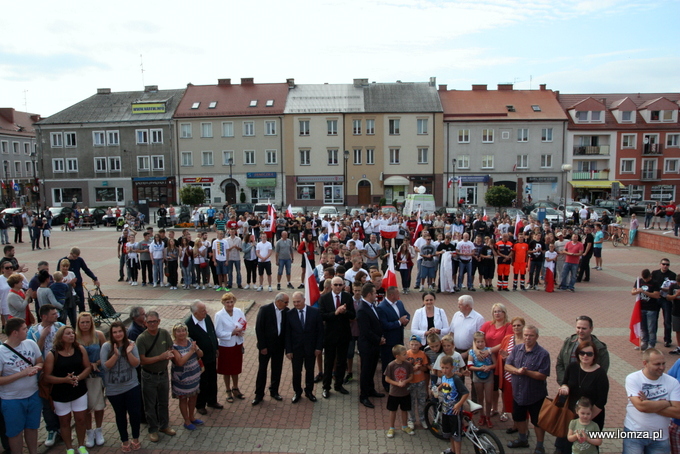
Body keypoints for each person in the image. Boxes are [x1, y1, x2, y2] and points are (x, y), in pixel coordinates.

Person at [42, 325, 92, 454]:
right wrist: (64, 380)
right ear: (60, 337)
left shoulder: (80, 349)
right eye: (68, 333)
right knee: (64, 422)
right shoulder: (52, 354)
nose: (72, 335)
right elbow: (47, 377)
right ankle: (69, 447)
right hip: (60, 393)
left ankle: (81, 445)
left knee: (81, 420)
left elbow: (87, 367)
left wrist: (78, 378)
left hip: (79, 390)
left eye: (72, 333)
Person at [556, 340, 610, 454]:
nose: (585, 356)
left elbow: (602, 400)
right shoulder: (572, 367)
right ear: (577, 354)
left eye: (589, 354)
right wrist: (565, 387)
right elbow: (565, 382)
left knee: (588, 447)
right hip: (572, 415)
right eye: (582, 353)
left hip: (592, 417)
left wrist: (586, 418)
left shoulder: (600, 373)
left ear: (594, 355)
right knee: (568, 446)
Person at [624, 348, 680, 453]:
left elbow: (677, 412)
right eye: (657, 364)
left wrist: (649, 402)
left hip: (661, 437)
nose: (662, 367)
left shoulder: (672, 382)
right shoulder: (633, 378)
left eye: (663, 363)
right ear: (645, 363)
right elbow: (641, 407)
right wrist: (666, 403)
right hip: (635, 433)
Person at [505, 325, 550, 453]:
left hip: (535, 395)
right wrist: (517, 370)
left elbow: (543, 375)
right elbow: (507, 366)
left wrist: (526, 373)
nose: (528, 338)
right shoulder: (517, 349)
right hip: (518, 393)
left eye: (531, 335)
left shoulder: (543, 354)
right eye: (526, 335)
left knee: (538, 422)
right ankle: (522, 439)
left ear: (536, 337)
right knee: (518, 418)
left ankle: (540, 446)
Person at [0, 317, 43, 454]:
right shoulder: (1, 352)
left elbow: (40, 361)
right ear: (15, 333)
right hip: (12, 399)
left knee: (32, 428)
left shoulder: (30, 343)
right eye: (24, 329)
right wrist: (22, 374)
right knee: (15, 432)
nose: (27, 330)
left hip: (33, 394)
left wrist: (36, 368)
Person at [100, 321, 142, 452]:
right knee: (120, 415)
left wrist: (128, 353)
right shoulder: (107, 347)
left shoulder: (130, 344)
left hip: (131, 386)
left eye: (120, 331)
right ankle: (124, 440)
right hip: (114, 389)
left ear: (124, 332)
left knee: (134, 413)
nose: (118, 334)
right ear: (111, 334)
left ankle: (135, 438)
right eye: (115, 332)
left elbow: (136, 364)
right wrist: (116, 355)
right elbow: (105, 366)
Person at [136, 311, 176, 443]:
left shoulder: (164, 333)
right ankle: (153, 429)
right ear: (145, 323)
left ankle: (164, 426)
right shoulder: (142, 338)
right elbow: (142, 360)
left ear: (159, 321)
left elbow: (170, 347)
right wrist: (160, 357)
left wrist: (170, 354)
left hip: (163, 373)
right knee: (150, 404)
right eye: (149, 322)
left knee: (163, 402)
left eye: (154, 321)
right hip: (149, 376)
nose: (152, 324)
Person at [27, 304, 63, 447]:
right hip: (43, 374)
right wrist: (42, 337)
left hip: (59, 369)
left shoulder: (60, 326)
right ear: (44, 316)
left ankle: (62, 426)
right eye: (53, 314)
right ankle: (52, 429)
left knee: (61, 400)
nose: (57, 316)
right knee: (46, 402)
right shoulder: (33, 331)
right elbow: (33, 353)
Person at [318, 276, 355, 398]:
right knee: (328, 362)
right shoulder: (324, 298)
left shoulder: (348, 297)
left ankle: (338, 385)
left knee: (341, 361)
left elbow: (353, 315)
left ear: (343, 285)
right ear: (331, 286)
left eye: (340, 285)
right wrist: (336, 313)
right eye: (336, 285)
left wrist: (345, 312)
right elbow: (322, 316)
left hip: (344, 335)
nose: (338, 287)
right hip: (329, 336)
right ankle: (326, 387)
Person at [285, 291, 324, 403]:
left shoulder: (315, 312)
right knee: (296, 372)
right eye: (294, 302)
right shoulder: (289, 314)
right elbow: (287, 334)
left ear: (304, 300)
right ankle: (297, 392)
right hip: (296, 349)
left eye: (298, 301)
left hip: (310, 349)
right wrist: (288, 350)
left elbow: (320, 332)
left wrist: (318, 347)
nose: (296, 304)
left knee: (310, 370)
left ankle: (309, 391)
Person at [185, 301, 222, 415]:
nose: (205, 312)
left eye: (205, 309)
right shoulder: (189, 324)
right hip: (199, 359)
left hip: (211, 355)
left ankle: (212, 401)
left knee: (212, 379)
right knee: (202, 381)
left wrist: (216, 347)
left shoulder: (207, 318)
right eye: (202, 311)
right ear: (195, 313)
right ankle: (200, 405)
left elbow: (212, 333)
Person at [75, 312, 107, 448]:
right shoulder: (75, 338)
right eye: (82, 322)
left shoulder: (98, 335)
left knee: (99, 404)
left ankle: (99, 430)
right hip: (82, 375)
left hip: (98, 374)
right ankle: (89, 431)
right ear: (78, 324)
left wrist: (97, 363)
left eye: (87, 322)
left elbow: (106, 353)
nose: (85, 325)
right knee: (85, 406)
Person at [253, 293, 290, 406]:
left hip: (279, 346)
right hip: (266, 347)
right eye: (286, 302)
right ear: (278, 301)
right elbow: (259, 328)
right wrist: (262, 346)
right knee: (262, 370)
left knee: (277, 369)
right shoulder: (265, 309)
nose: (287, 304)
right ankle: (259, 395)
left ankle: (274, 391)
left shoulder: (286, 311)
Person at [556, 315, 610, 385]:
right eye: (578, 328)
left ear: (591, 329)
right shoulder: (568, 342)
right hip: (568, 387)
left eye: (584, 328)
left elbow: (602, 371)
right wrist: (564, 383)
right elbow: (560, 363)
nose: (580, 331)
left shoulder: (600, 348)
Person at [432, 355, 469, 454]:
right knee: (450, 434)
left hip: (454, 412)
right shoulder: (444, 377)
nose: (444, 370)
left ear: (452, 367)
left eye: (447, 368)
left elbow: (466, 393)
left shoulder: (456, 379)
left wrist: (458, 405)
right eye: (442, 367)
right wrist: (437, 389)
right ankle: (452, 450)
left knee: (456, 435)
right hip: (445, 410)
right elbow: (443, 383)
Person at [170, 323, 203, 431]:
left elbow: (201, 354)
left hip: (194, 375)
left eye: (183, 330)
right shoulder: (173, 346)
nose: (181, 333)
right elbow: (180, 362)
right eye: (178, 331)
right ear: (174, 333)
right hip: (182, 378)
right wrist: (191, 351)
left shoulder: (190, 340)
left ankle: (192, 417)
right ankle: (186, 421)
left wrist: (197, 349)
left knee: (193, 397)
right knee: (183, 399)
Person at [356, 282, 385, 409]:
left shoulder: (371, 305)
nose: (376, 295)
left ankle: (371, 389)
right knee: (366, 371)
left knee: (372, 368)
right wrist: (378, 340)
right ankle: (363, 395)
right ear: (369, 294)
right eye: (374, 293)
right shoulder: (362, 309)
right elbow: (366, 331)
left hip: (374, 345)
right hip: (367, 345)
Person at [214, 292, 246, 403]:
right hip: (226, 345)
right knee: (227, 369)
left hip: (237, 344)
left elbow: (244, 323)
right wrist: (231, 333)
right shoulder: (219, 315)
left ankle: (235, 388)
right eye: (227, 302)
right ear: (223, 303)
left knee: (236, 368)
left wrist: (241, 331)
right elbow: (218, 332)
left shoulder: (239, 311)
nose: (230, 304)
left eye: (232, 302)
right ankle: (228, 390)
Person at [377, 286, 410, 391]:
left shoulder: (399, 303)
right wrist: (399, 322)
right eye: (397, 293)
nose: (399, 295)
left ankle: (398, 381)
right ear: (391, 295)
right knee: (388, 364)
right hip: (389, 342)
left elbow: (406, 314)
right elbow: (385, 325)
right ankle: (386, 385)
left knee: (399, 363)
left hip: (399, 339)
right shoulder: (381, 307)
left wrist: (406, 320)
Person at [384, 344, 414, 439]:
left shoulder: (408, 364)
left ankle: (404, 426)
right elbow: (387, 379)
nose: (407, 356)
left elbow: (411, 376)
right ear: (397, 356)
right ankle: (391, 427)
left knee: (404, 409)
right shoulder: (391, 365)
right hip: (394, 393)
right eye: (404, 354)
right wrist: (397, 384)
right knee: (393, 410)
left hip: (405, 392)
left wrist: (405, 381)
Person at [58, 247, 100, 313]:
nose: (76, 258)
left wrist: (94, 278)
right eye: (74, 256)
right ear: (70, 254)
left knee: (81, 304)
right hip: (67, 288)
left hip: (78, 285)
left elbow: (86, 270)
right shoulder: (63, 261)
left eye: (77, 256)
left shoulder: (79, 260)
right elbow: (58, 273)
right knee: (68, 306)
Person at [468, 331, 496, 428]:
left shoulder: (489, 351)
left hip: (489, 377)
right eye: (478, 342)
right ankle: (482, 416)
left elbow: (495, 364)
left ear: (485, 342)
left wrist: (489, 367)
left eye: (482, 341)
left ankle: (488, 417)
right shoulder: (472, 352)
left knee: (488, 399)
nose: (480, 344)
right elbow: (470, 366)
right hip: (477, 377)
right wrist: (479, 368)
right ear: (475, 343)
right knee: (480, 398)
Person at [632, 269, 662, 350]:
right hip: (642, 307)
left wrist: (644, 292)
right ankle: (644, 342)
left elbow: (656, 295)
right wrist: (637, 291)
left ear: (650, 276)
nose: (645, 280)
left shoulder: (654, 283)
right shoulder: (639, 281)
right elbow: (632, 292)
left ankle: (652, 344)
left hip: (651, 308)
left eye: (647, 279)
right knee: (643, 327)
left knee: (651, 327)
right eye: (644, 279)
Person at [652, 258, 677, 350]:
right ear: (660, 264)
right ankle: (653, 338)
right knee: (654, 319)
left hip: (666, 300)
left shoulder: (672, 275)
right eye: (664, 264)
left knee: (667, 320)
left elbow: (674, 288)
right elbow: (652, 285)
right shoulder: (655, 273)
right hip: (656, 299)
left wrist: (665, 289)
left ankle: (667, 339)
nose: (665, 266)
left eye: (667, 264)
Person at [406, 335, 429, 429]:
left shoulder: (422, 354)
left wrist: (420, 367)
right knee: (411, 402)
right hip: (410, 382)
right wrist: (413, 369)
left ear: (420, 345)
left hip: (420, 381)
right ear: (409, 344)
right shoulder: (407, 354)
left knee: (422, 401)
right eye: (412, 344)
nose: (414, 347)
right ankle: (411, 419)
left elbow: (426, 368)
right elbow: (405, 369)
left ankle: (423, 419)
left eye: (416, 344)